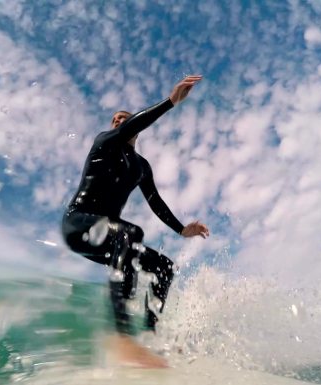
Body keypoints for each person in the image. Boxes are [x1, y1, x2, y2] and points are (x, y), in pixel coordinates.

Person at [61, 75, 209, 368]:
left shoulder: (141, 167)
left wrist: (181, 229)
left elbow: (155, 202)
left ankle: (150, 335)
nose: (117, 122)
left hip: (113, 236)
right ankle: (122, 337)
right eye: (115, 119)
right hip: (78, 223)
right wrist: (170, 101)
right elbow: (132, 124)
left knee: (163, 266)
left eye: (123, 119)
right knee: (130, 233)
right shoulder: (103, 142)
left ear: (136, 131)